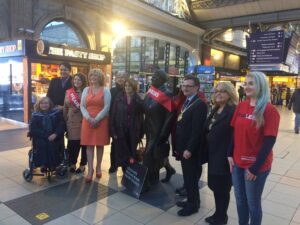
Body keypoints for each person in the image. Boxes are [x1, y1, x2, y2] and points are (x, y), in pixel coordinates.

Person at [228, 71, 280, 225]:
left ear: (261, 86)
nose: (247, 86)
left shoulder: (269, 111)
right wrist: (229, 153)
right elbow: (234, 131)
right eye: (246, 83)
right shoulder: (242, 105)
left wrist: (255, 168)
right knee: (240, 201)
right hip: (237, 163)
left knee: (253, 204)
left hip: (255, 166)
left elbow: (269, 142)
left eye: (251, 83)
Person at [204, 82, 238, 224]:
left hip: (224, 157)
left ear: (230, 93)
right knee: (215, 186)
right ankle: (218, 213)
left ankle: (221, 216)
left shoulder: (232, 111)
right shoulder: (216, 108)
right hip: (213, 155)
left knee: (222, 189)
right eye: (216, 91)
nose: (218, 93)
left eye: (223, 91)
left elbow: (235, 136)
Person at [175, 75, 207, 217]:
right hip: (183, 147)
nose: (185, 88)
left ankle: (193, 206)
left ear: (196, 88)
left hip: (190, 150)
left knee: (191, 178)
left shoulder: (199, 104)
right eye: (183, 85)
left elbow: (197, 131)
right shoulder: (188, 101)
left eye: (189, 86)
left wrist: (189, 149)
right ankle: (192, 200)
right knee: (188, 177)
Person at [143, 70, 176, 188]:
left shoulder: (167, 93)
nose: (153, 78)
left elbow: (170, 115)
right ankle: (166, 170)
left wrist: (164, 134)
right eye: (153, 76)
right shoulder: (151, 91)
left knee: (148, 155)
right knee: (155, 154)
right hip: (149, 127)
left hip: (158, 129)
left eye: (156, 76)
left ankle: (145, 183)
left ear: (163, 79)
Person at [80, 69, 111, 183]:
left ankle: (98, 167)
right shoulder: (86, 90)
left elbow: (107, 106)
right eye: (91, 75)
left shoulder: (106, 90)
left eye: (96, 75)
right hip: (87, 121)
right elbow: (82, 106)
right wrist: (88, 118)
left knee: (99, 145)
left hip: (101, 121)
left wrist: (97, 119)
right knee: (89, 146)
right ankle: (90, 170)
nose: (93, 77)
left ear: (100, 78)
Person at [109, 78, 144, 172]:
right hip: (120, 129)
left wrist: (141, 133)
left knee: (132, 151)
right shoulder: (118, 98)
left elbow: (141, 117)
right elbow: (113, 114)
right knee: (122, 152)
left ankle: (129, 172)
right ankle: (124, 170)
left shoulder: (138, 99)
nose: (127, 88)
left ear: (134, 87)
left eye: (130, 86)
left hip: (133, 129)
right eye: (126, 86)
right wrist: (112, 130)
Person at [29, 97, 65, 172]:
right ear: (39, 105)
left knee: (53, 144)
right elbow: (33, 129)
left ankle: (53, 164)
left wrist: (55, 134)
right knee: (42, 144)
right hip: (41, 137)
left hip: (54, 136)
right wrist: (46, 136)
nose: (44, 105)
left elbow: (61, 125)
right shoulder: (35, 115)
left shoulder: (56, 113)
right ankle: (43, 164)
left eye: (46, 103)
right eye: (42, 103)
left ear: (50, 104)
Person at [63, 73, 87, 174]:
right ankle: (72, 163)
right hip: (71, 121)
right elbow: (65, 107)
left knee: (84, 144)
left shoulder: (86, 92)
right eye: (75, 80)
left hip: (83, 120)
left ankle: (82, 165)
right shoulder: (69, 92)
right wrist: (65, 119)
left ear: (83, 82)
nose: (77, 82)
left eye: (79, 80)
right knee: (72, 144)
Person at [109, 71, 126, 173]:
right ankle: (113, 165)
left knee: (125, 145)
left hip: (125, 122)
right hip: (115, 122)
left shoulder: (129, 89)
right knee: (114, 145)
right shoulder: (112, 90)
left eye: (122, 77)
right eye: (118, 76)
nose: (120, 78)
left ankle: (124, 165)